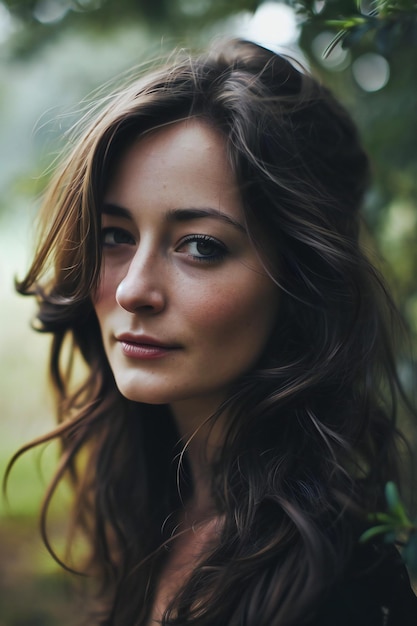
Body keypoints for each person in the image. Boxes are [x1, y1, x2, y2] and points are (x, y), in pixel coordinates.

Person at [7, 38, 417, 625]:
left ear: (300, 280)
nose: (132, 290)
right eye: (116, 235)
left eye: (200, 245)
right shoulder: (159, 508)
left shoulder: (337, 588)